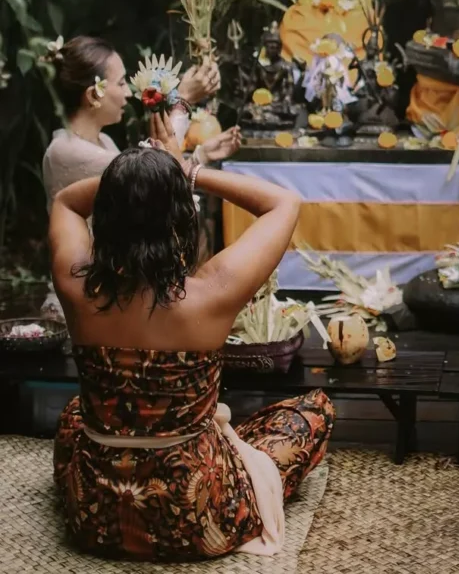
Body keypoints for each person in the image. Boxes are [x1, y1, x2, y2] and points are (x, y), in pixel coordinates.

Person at [50, 113, 333, 561]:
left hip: (95, 518)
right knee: (311, 414)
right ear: (180, 217)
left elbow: (66, 202)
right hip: (201, 521)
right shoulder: (210, 293)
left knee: (75, 415)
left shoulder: (78, 287)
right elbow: (284, 203)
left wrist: (130, 179)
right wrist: (185, 171)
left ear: (106, 216)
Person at [40, 36, 241, 319]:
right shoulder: (66, 151)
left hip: (110, 291)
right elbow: (150, 174)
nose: (127, 94)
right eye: (121, 83)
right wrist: (180, 102)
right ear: (93, 94)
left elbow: (144, 185)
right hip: (83, 300)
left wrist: (201, 155)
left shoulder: (105, 142)